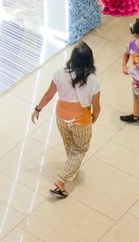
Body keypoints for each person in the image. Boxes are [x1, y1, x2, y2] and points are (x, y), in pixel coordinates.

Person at [31, 42, 100, 198]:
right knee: (80, 150)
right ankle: (61, 181)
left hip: (61, 117)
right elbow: (96, 105)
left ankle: (71, 170)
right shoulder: (94, 80)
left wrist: (37, 109)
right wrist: (94, 117)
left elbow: (49, 95)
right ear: (90, 60)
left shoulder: (59, 73)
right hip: (81, 120)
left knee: (69, 146)